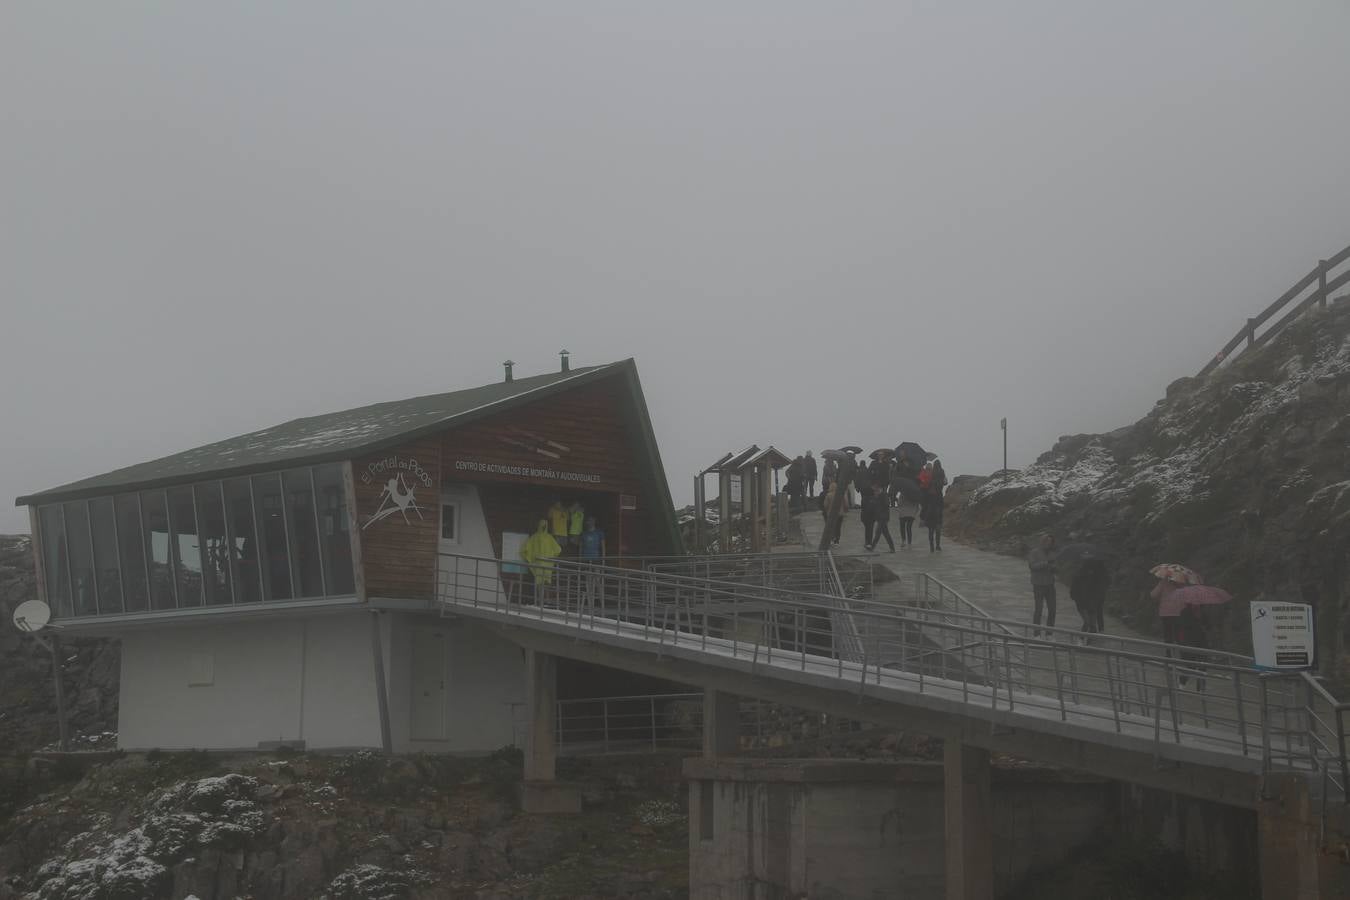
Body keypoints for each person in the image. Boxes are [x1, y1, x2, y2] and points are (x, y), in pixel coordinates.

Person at [521, 520, 563, 603]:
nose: (543, 527)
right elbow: (525, 550)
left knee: (546, 582)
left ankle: (545, 600)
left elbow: (557, 549)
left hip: (547, 564)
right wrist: (531, 559)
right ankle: (540, 600)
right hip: (539, 564)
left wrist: (551, 557)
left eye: (545, 526)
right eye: (542, 526)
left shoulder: (548, 537)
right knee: (539, 582)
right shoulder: (534, 537)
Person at [1069, 559, 1109, 634]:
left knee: (1092, 625)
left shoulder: (1094, 577)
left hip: (1091, 604)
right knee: (1087, 623)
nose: (1091, 571)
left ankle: (1090, 640)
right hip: (1083, 604)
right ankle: (1081, 639)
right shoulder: (1079, 577)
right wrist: (1078, 599)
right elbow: (1073, 593)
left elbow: (1102, 586)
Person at [1028, 534, 1058, 633]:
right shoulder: (1034, 552)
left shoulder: (1053, 553)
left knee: (1052, 610)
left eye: (1050, 542)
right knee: (1039, 610)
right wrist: (1045, 563)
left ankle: (1049, 633)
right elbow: (1032, 566)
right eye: (1047, 542)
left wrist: (1054, 568)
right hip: (1038, 584)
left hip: (1050, 584)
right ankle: (1036, 633)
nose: (1048, 544)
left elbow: (1056, 568)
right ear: (1042, 542)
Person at [868, 488, 894, 552]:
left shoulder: (883, 496)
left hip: (883, 517)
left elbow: (886, 504)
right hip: (880, 517)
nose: (874, 493)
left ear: (879, 490)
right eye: (874, 492)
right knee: (885, 533)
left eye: (876, 491)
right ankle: (892, 548)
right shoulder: (877, 497)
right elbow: (874, 506)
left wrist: (877, 499)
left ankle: (872, 547)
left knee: (878, 533)